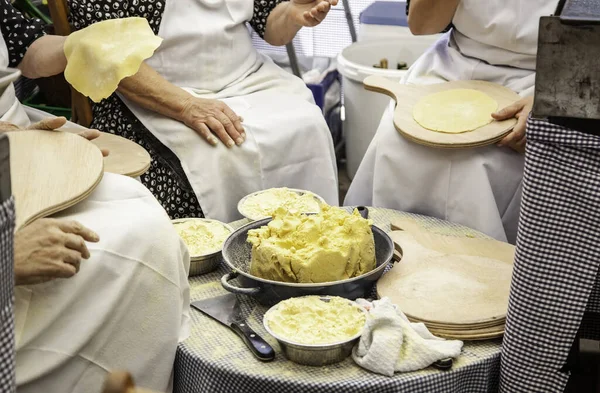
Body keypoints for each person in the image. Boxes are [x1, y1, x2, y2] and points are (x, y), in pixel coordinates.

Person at [0, 2, 190, 392]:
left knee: (139, 210)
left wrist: (75, 45)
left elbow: (24, 48)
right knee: (121, 244)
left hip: (15, 139)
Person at [66, 0, 340, 222]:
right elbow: (104, 51)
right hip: (157, 86)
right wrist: (186, 105)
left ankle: (312, 246)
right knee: (210, 148)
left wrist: (291, 15)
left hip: (247, 75)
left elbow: (269, 24)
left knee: (307, 124)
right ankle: (218, 258)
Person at [345, 0, 559, 244]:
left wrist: (551, 97)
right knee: (396, 144)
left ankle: (488, 270)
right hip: (456, 60)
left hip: (552, 72)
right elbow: (422, 24)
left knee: (482, 164)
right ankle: (385, 255)